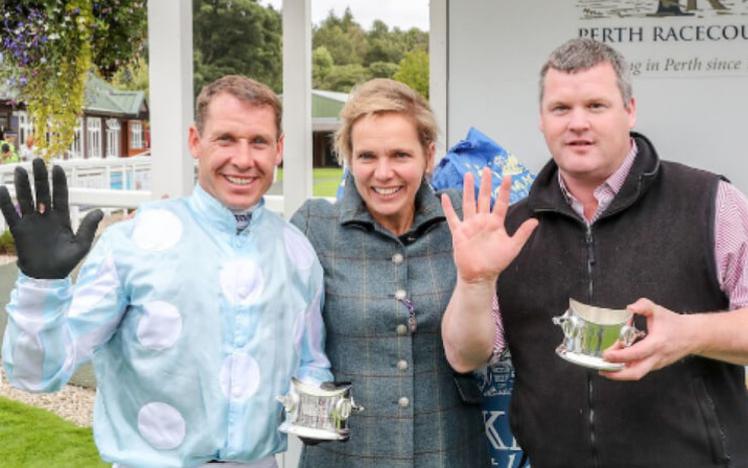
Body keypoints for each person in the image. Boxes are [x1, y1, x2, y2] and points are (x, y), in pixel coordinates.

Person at [441, 37, 748, 467]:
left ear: (630, 110)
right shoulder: (510, 228)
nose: (577, 123)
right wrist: (474, 283)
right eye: (561, 109)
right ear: (542, 120)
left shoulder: (711, 202)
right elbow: (464, 355)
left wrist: (688, 335)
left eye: (596, 106)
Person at [0, 75, 332, 467]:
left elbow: (311, 360)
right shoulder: (132, 243)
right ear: (195, 141)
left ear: (278, 149)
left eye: (258, 142)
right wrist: (42, 284)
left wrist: (318, 416)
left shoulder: (298, 252)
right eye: (225, 139)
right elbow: (36, 375)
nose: (243, 159)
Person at [290, 78, 493, 467]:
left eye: (400, 155)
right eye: (367, 156)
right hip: (346, 455)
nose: (383, 173)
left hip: (448, 450)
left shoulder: (466, 219)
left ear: (428, 155)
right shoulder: (314, 226)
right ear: (348, 157)